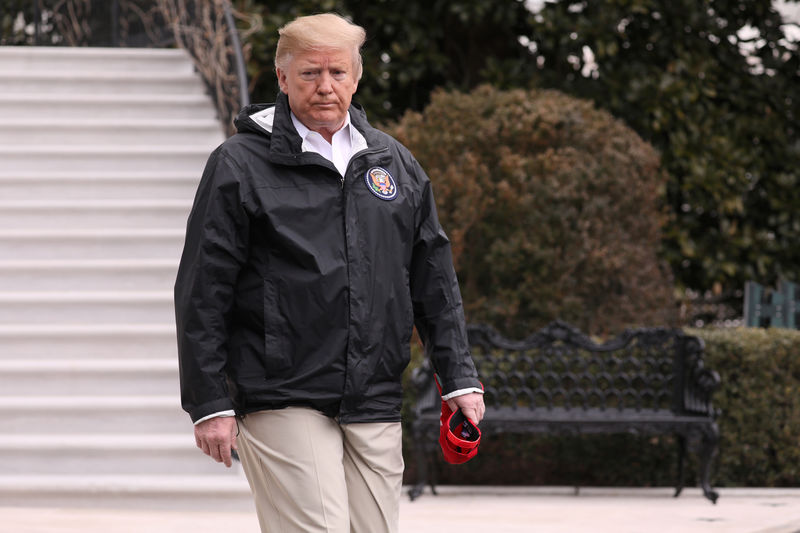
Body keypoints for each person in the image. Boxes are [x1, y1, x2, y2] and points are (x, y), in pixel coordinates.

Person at [174, 12, 484, 533]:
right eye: (309, 74)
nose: (324, 87)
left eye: (337, 73)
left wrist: (459, 378)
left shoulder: (394, 162)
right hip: (281, 391)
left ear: (356, 78)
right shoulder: (237, 165)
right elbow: (203, 289)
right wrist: (208, 401)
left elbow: (433, 278)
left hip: (374, 393)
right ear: (282, 78)